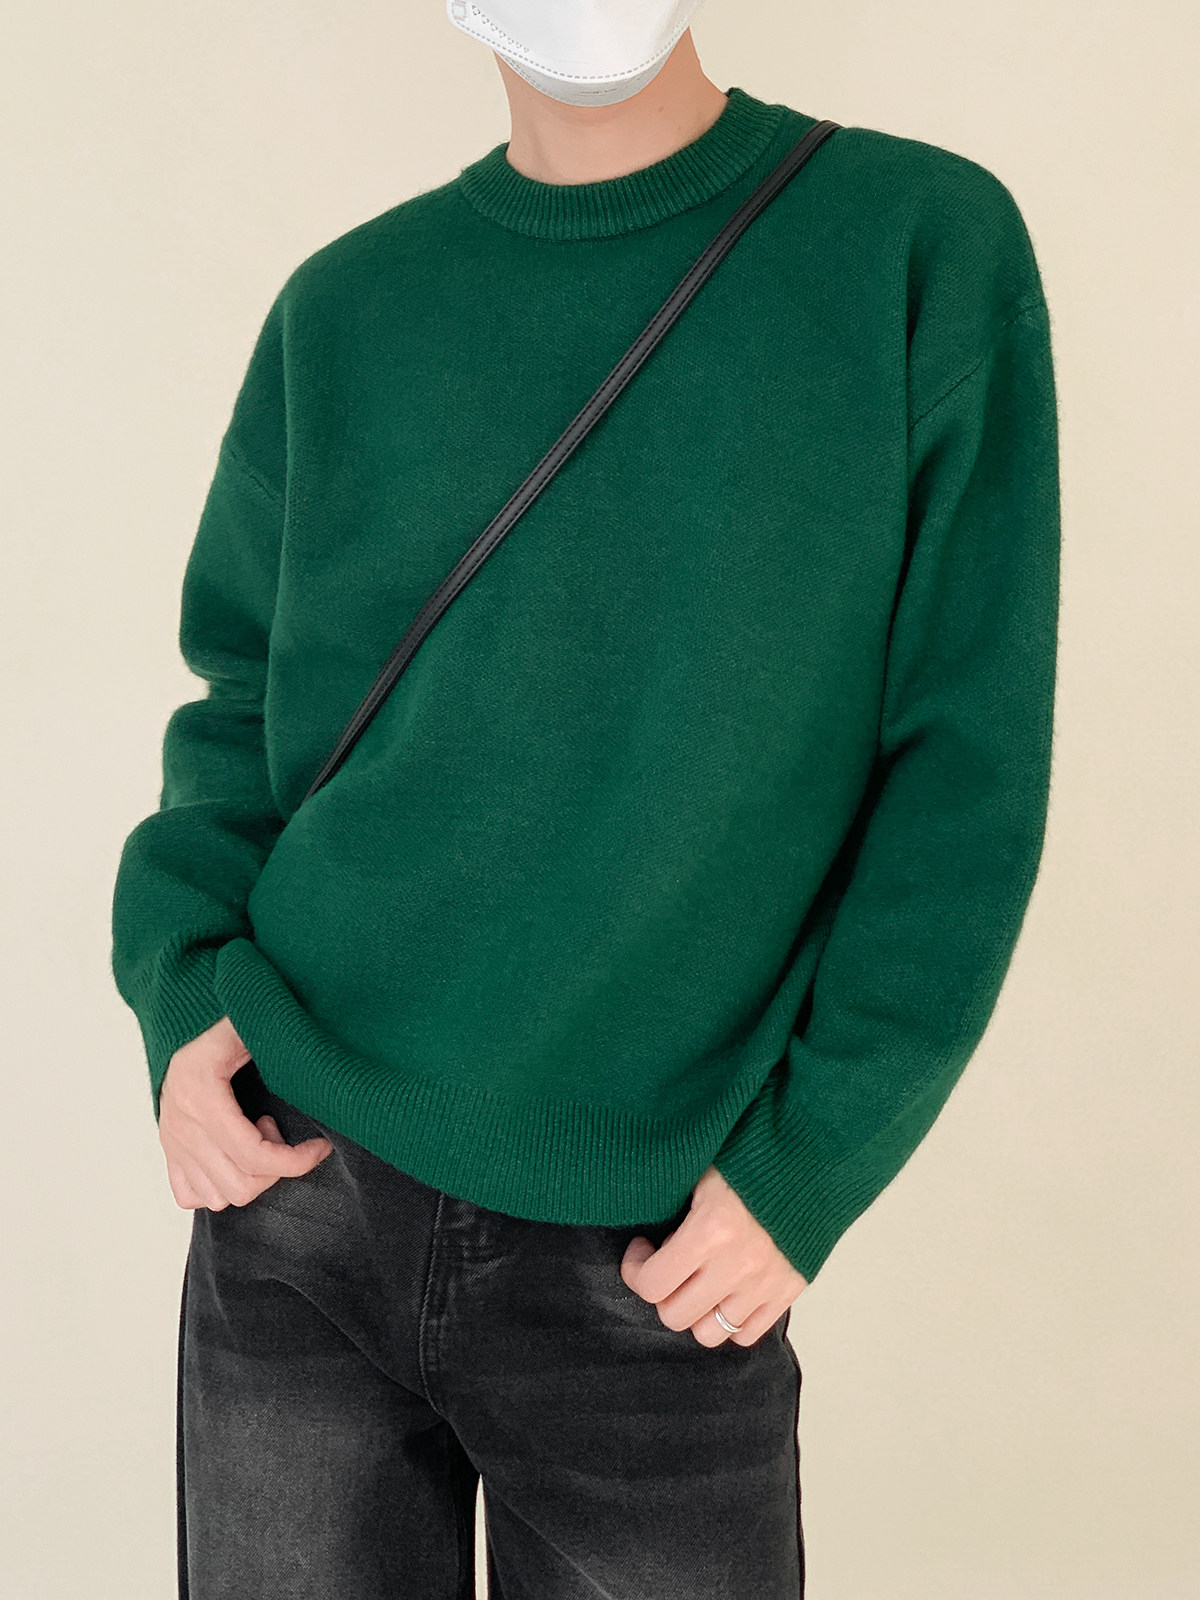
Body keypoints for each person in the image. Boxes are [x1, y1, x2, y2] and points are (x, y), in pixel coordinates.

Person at [109, 2, 1060, 1595]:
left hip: (651, 1238)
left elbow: (966, 766)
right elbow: (241, 700)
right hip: (301, 1189)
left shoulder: (915, 246)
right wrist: (185, 989)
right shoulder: (344, 309)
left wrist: (810, 1162)